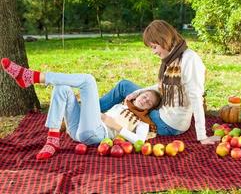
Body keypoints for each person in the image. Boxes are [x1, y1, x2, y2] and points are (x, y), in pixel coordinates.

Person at [1, 58, 161, 160]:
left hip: (98, 133)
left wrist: (114, 125)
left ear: (149, 109)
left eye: (149, 103)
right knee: (62, 88)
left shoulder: (143, 123)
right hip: (78, 130)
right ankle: (52, 140)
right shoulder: (120, 105)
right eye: (145, 95)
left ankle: (33, 77)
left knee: (89, 80)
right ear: (138, 94)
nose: (145, 100)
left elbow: (140, 141)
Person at [99, 20, 220, 144]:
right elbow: (163, 86)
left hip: (168, 124)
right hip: (166, 109)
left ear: (164, 40)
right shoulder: (173, 57)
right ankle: (92, 109)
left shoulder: (189, 60)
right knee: (126, 87)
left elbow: (196, 97)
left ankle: (91, 110)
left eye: (154, 47)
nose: (154, 52)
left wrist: (202, 136)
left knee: (124, 87)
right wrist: (138, 92)